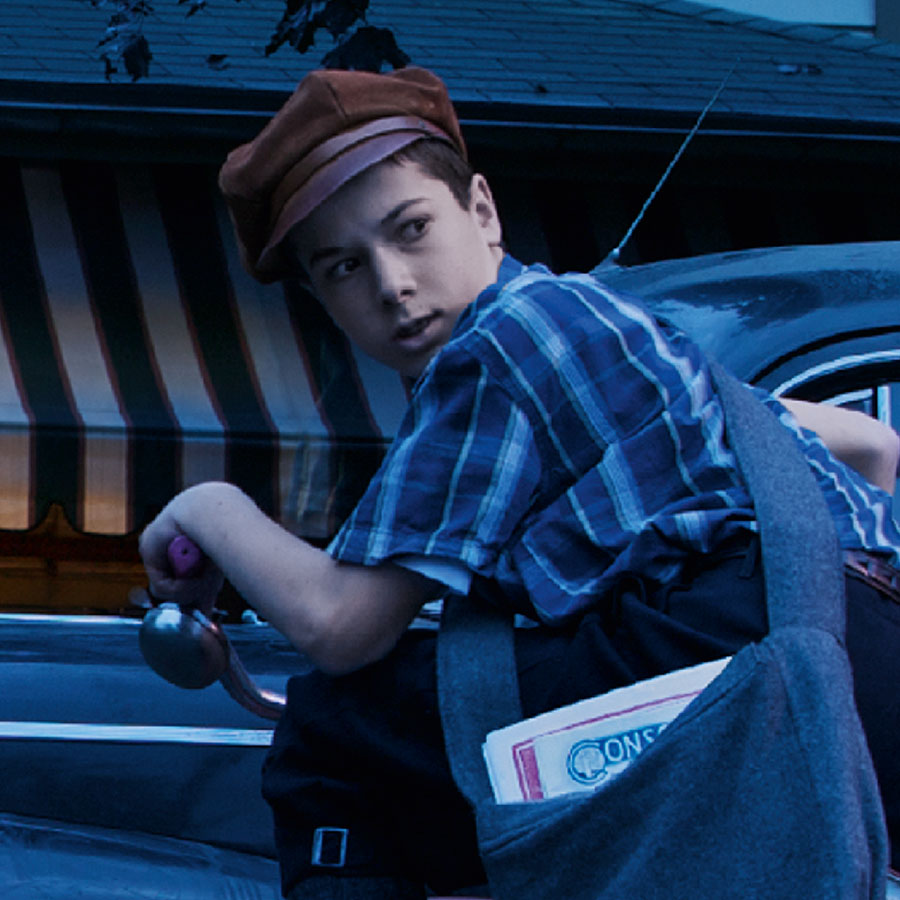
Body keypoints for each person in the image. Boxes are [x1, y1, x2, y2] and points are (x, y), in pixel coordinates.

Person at [139, 66, 900, 899]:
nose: (392, 284)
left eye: (411, 229)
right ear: (321, 296)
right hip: (865, 655)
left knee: (337, 728)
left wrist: (206, 505)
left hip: (751, 639)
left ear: (483, 212)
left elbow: (341, 624)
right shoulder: (607, 324)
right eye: (345, 267)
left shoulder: (496, 346)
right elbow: (871, 444)